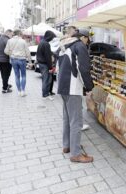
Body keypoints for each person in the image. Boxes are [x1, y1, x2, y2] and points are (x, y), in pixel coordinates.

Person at [57, 28, 94, 163]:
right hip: (73, 87)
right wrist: (89, 87)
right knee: (76, 121)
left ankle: (68, 146)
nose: (87, 42)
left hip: (62, 86)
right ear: (84, 37)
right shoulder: (79, 46)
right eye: (87, 39)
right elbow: (84, 68)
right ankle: (76, 154)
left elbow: (57, 65)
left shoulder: (65, 44)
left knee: (67, 118)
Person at [4, 30, 32, 97]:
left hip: (13, 59)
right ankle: (23, 91)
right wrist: (30, 62)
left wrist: (11, 54)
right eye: (21, 33)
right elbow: (28, 52)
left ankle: (19, 91)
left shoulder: (9, 41)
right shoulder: (23, 41)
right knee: (23, 75)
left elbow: (5, 51)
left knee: (17, 76)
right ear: (19, 34)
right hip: (22, 59)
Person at [36, 30, 56, 100]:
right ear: (49, 36)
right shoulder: (46, 44)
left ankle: (46, 93)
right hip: (45, 64)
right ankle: (45, 95)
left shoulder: (42, 42)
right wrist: (50, 67)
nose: (52, 39)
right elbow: (48, 57)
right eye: (52, 37)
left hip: (41, 63)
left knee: (45, 79)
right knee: (46, 79)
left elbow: (40, 53)